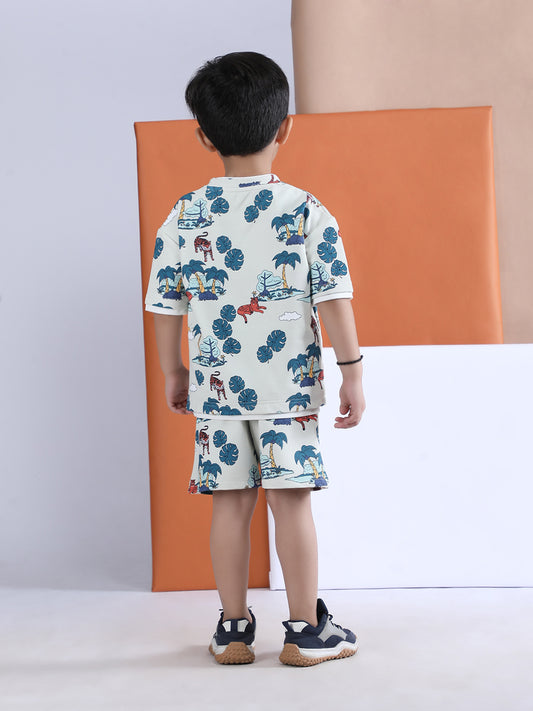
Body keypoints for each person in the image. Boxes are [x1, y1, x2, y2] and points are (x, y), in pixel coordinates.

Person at [144, 51, 366, 667]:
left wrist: (174, 371)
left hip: (216, 386)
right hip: (287, 388)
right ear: (284, 126)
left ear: (203, 135)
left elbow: (164, 304)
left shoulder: (184, 215)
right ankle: (306, 630)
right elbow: (335, 299)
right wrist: (351, 371)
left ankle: (234, 629)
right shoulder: (306, 210)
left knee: (230, 504)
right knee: (291, 501)